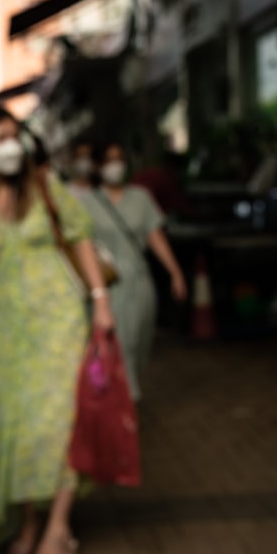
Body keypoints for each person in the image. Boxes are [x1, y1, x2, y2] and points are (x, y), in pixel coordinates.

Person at [0, 104, 114, 554]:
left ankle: (58, 532)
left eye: (14, 134)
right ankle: (29, 521)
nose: (10, 145)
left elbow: (81, 239)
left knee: (59, 422)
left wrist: (100, 303)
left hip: (61, 319)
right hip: (7, 331)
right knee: (19, 427)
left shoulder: (44, 185)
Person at [79, 140, 187, 401]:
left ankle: (122, 397)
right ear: (98, 166)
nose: (115, 166)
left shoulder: (141, 198)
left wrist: (175, 272)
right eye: (109, 160)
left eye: (120, 159)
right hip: (105, 285)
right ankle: (124, 403)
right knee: (117, 345)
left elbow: (155, 236)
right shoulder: (85, 203)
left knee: (138, 342)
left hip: (139, 283)